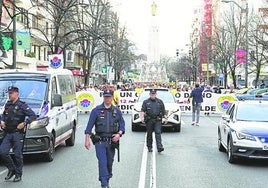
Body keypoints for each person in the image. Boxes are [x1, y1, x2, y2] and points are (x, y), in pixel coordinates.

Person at [84, 90, 125, 188]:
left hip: (112, 142)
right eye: (106, 97)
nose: (107, 99)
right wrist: (87, 140)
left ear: (112, 98)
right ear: (103, 98)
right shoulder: (96, 111)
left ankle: (107, 178)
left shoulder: (116, 111)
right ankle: (104, 184)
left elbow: (122, 125)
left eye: (109, 97)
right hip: (100, 142)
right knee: (102, 162)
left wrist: (119, 134)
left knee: (109, 163)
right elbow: (89, 127)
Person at [0, 86, 37, 182]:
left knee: (17, 155)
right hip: (7, 132)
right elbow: (3, 115)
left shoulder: (22, 105)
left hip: (17, 133)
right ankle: (12, 169)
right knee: (3, 152)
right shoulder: (7, 104)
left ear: (17, 94)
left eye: (11, 93)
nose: (9, 95)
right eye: (9, 93)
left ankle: (18, 174)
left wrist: (24, 123)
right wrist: (2, 121)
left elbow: (33, 115)